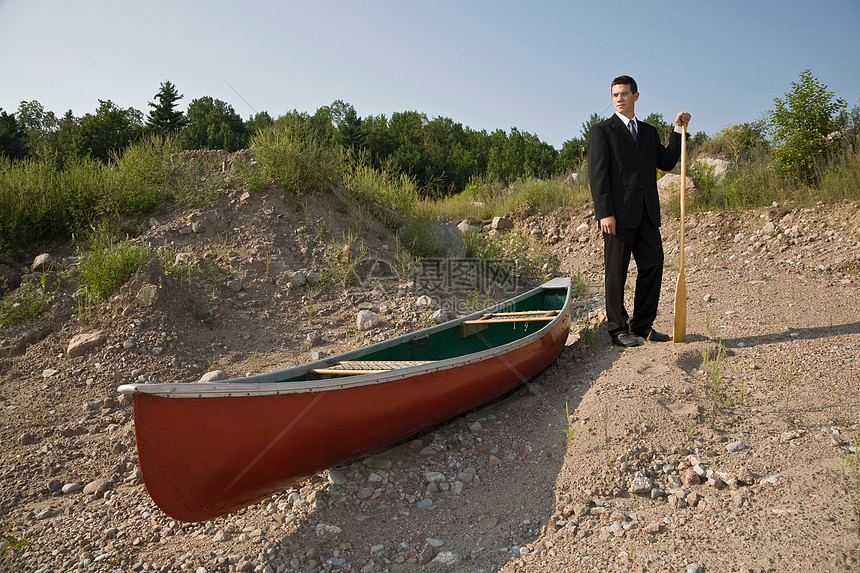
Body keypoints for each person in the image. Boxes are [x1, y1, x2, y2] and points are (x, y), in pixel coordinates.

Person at [587, 75, 691, 347]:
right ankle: (617, 329)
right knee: (616, 273)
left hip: (646, 214)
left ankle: (643, 325)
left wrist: (679, 131)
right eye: (614, 95)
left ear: (635, 96)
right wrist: (604, 213)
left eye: (623, 94)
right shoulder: (602, 131)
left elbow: (666, 162)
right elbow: (597, 176)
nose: (618, 99)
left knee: (653, 264)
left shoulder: (648, 132)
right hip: (617, 217)